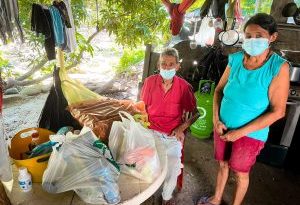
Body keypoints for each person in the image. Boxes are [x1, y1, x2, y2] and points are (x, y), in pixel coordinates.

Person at [197, 13, 290, 205]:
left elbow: (278, 111)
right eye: (248, 36)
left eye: (259, 36)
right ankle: (216, 199)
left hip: (250, 135)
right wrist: (216, 119)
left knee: (240, 172)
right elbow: (219, 91)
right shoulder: (236, 59)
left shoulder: (278, 67)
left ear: (272, 37)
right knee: (222, 164)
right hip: (222, 126)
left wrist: (239, 133)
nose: (252, 40)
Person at [140, 47, 199, 205]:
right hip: (150, 131)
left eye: (171, 64)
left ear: (177, 66)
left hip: (172, 135)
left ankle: (166, 197)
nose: (167, 67)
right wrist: (141, 129)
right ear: (158, 65)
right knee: (145, 164)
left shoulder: (184, 87)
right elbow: (141, 108)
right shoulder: (150, 82)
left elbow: (196, 113)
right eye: (163, 64)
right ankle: (146, 192)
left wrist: (181, 128)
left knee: (172, 167)